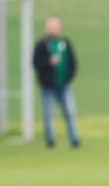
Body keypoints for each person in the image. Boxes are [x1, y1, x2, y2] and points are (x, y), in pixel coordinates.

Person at [31, 16, 80, 149]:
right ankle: (49, 140)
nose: (53, 29)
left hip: (63, 85)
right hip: (48, 87)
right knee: (48, 114)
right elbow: (35, 63)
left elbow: (72, 62)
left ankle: (74, 139)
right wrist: (49, 62)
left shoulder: (64, 42)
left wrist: (70, 77)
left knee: (70, 112)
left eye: (56, 26)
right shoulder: (42, 44)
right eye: (51, 26)